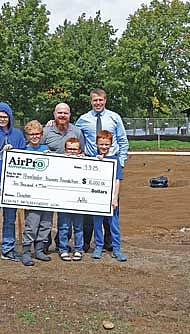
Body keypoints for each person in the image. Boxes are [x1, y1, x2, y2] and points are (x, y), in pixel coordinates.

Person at [75, 88, 129, 253]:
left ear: (105, 100)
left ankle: (109, 242)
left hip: (111, 165)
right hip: (92, 165)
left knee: (111, 205)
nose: (98, 103)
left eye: (100, 100)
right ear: (91, 101)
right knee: (89, 207)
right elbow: (73, 133)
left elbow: (122, 140)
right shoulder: (84, 119)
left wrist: (120, 163)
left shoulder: (114, 117)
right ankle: (86, 242)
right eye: (94, 100)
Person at [0, 102, 26, 270]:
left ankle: (8, 250)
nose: (2, 119)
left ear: (10, 117)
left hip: (12, 185)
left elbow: (23, 157)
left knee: (10, 219)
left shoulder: (18, 135)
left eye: (5, 116)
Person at [42, 103, 85, 253]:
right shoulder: (45, 132)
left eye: (65, 113)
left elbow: (83, 153)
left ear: (70, 115)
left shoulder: (77, 132)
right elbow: (36, 150)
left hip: (70, 184)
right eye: (60, 113)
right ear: (54, 114)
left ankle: (63, 244)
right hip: (49, 182)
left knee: (65, 218)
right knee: (47, 216)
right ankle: (44, 244)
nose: (62, 116)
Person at [91, 130, 127, 262]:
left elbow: (118, 180)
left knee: (114, 224)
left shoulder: (115, 160)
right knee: (97, 223)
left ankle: (116, 248)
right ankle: (98, 246)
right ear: (96, 144)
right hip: (97, 198)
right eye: (101, 144)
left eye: (107, 144)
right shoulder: (93, 159)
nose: (104, 147)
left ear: (111, 144)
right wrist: (97, 160)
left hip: (112, 198)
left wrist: (115, 197)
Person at [20, 120, 53, 266]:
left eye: (37, 134)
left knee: (46, 223)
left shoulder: (47, 149)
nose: (34, 137)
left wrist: (51, 157)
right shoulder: (23, 151)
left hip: (47, 195)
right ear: (27, 135)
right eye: (31, 134)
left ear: (41, 135)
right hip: (32, 196)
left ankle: (39, 250)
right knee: (32, 224)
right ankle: (26, 252)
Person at [57, 137, 84, 262]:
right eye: (69, 149)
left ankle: (78, 249)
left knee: (78, 227)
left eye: (75, 149)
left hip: (79, 201)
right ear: (65, 149)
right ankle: (63, 249)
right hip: (63, 200)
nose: (72, 151)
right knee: (63, 226)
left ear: (79, 150)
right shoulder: (59, 161)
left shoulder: (85, 162)